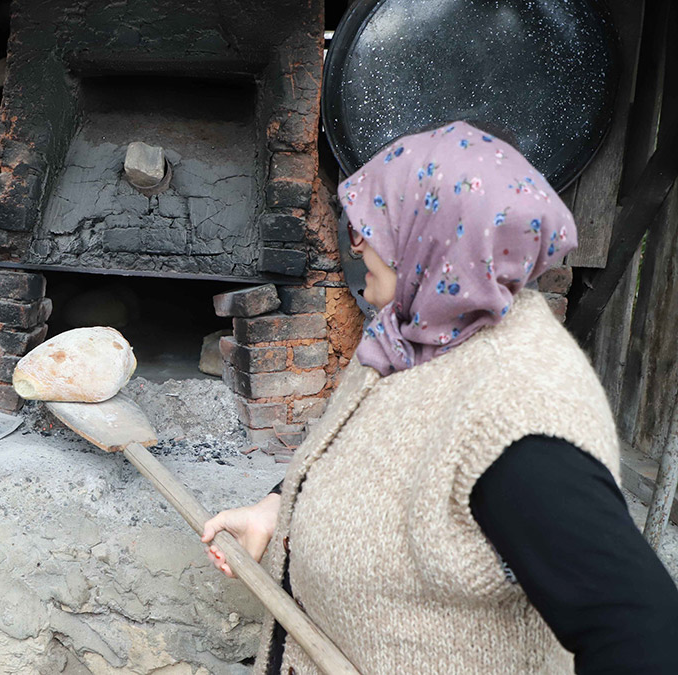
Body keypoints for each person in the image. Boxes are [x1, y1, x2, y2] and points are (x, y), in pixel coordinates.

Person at [202, 121, 678, 674]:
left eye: (372, 227)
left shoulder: (516, 415)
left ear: (436, 234)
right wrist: (276, 508)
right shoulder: (415, 330)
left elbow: (645, 635)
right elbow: (365, 451)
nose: (354, 245)